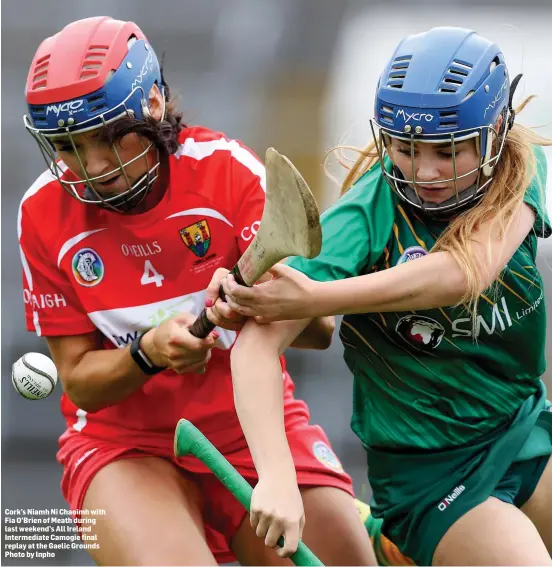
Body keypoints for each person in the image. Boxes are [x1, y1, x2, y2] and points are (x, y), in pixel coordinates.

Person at [18, 16, 378, 566]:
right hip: (125, 446)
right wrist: (146, 354)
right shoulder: (41, 214)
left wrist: (252, 306)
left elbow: (319, 330)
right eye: (68, 145)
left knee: (349, 559)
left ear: (154, 106)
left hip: (251, 429)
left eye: (108, 138)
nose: (92, 168)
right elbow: (80, 384)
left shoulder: (229, 174)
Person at [219, 26, 552, 566]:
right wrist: (276, 479)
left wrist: (318, 299)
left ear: (494, 132)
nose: (424, 173)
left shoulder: (519, 168)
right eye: (405, 148)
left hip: (521, 423)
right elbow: (255, 345)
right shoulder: (366, 213)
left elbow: (466, 272)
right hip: (432, 474)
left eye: (447, 152)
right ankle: (403, 542)